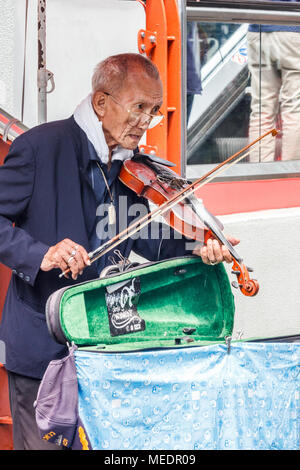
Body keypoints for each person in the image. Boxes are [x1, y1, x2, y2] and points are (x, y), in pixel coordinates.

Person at [0, 53, 238, 450]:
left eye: (154, 110)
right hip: (42, 346)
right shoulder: (40, 148)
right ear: (101, 102)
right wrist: (40, 253)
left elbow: (148, 239)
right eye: (139, 108)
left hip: (106, 344)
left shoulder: (132, 169)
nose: (146, 122)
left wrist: (200, 245)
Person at [247, 0, 300, 161]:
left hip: (258, 29)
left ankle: (259, 172)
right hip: (293, 27)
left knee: (261, 108)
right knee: (294, 108)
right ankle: (291, 172)